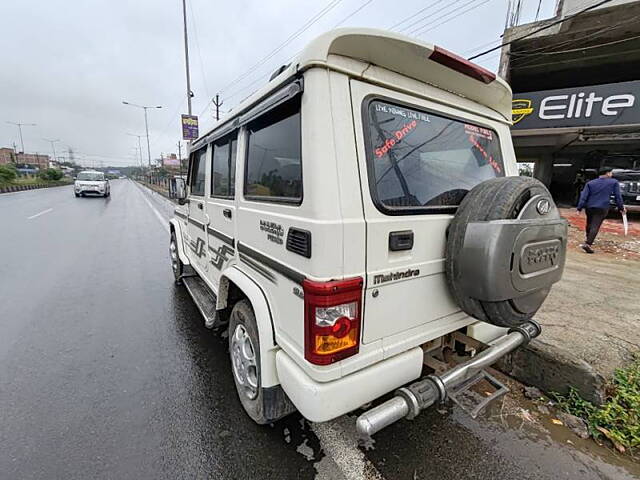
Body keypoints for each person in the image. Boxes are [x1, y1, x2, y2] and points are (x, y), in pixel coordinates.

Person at [576, 166, 625, 253]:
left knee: (589, 223)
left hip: (590, 207)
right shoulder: (613, 182)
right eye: (611, 172)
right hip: (602, 207)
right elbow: (618, 196)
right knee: (595, 225)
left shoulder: (590, 183)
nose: (611, 174)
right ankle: (588, 244)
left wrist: (579, 208)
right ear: (607, 173)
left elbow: (584, 196)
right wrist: (621, 207)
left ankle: (588, 239)